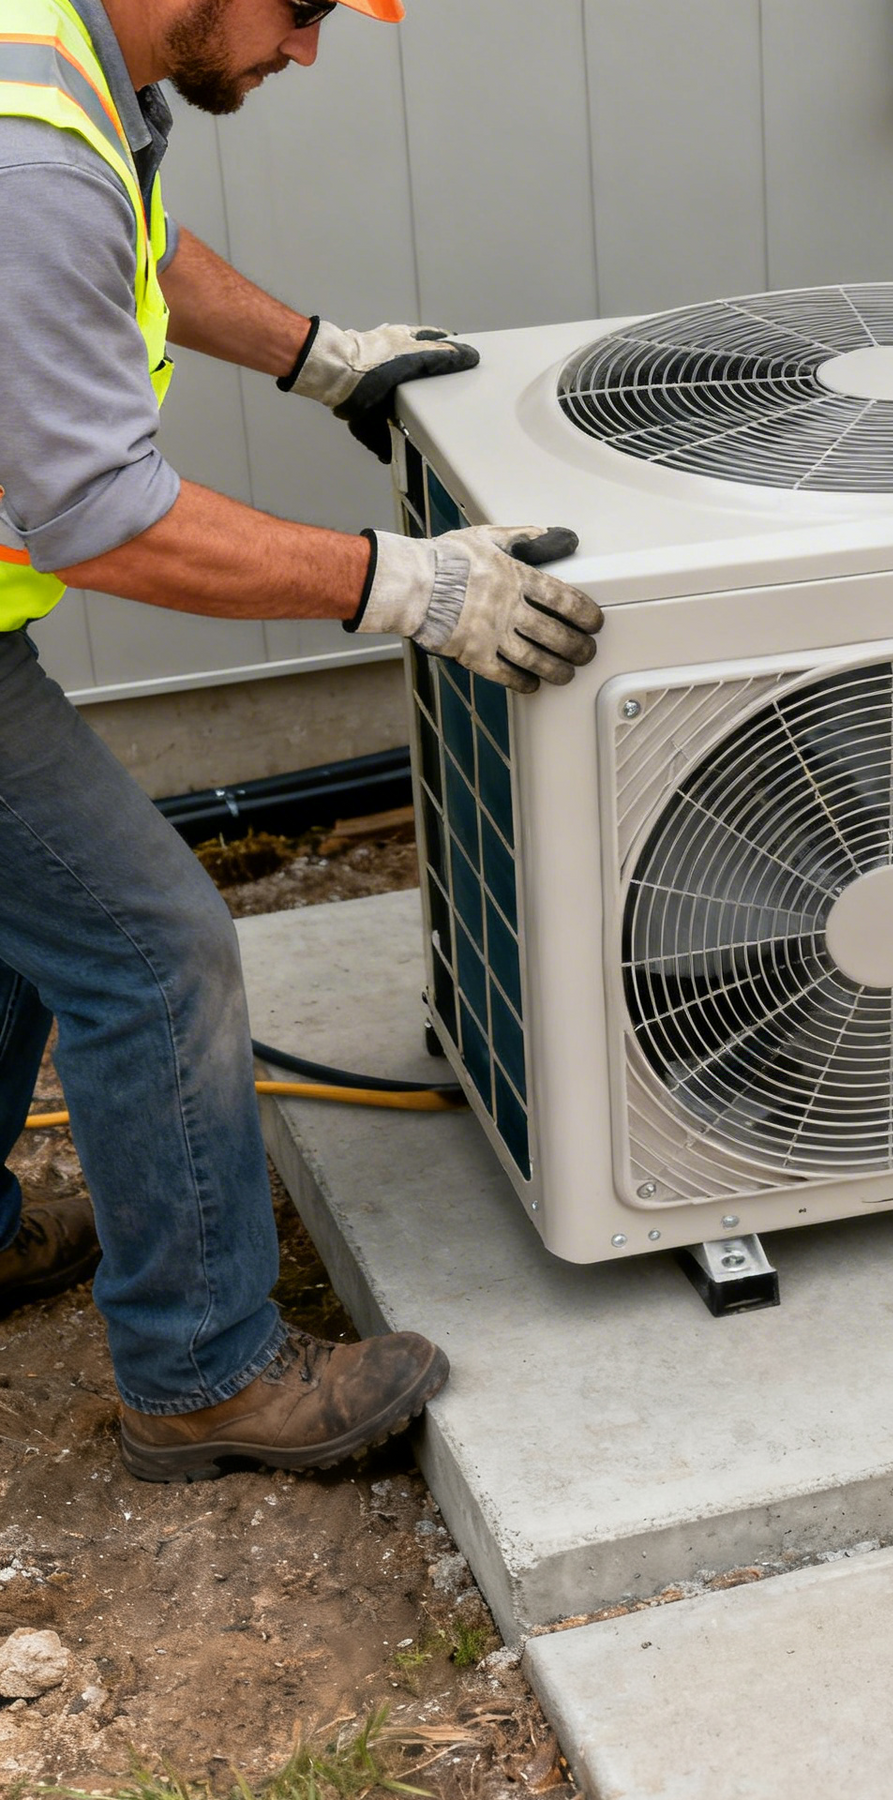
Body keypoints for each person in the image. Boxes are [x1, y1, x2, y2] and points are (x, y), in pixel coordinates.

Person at [0, 0, 603, 1479]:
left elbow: (131, 256)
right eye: (304, 7)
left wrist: (324, 357)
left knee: (35, 918)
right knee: (150, 949)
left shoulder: (71, 65)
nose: (309, 52)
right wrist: (409, 587)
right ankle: (201, 1373)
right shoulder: (28, 155)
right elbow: (105, 519)